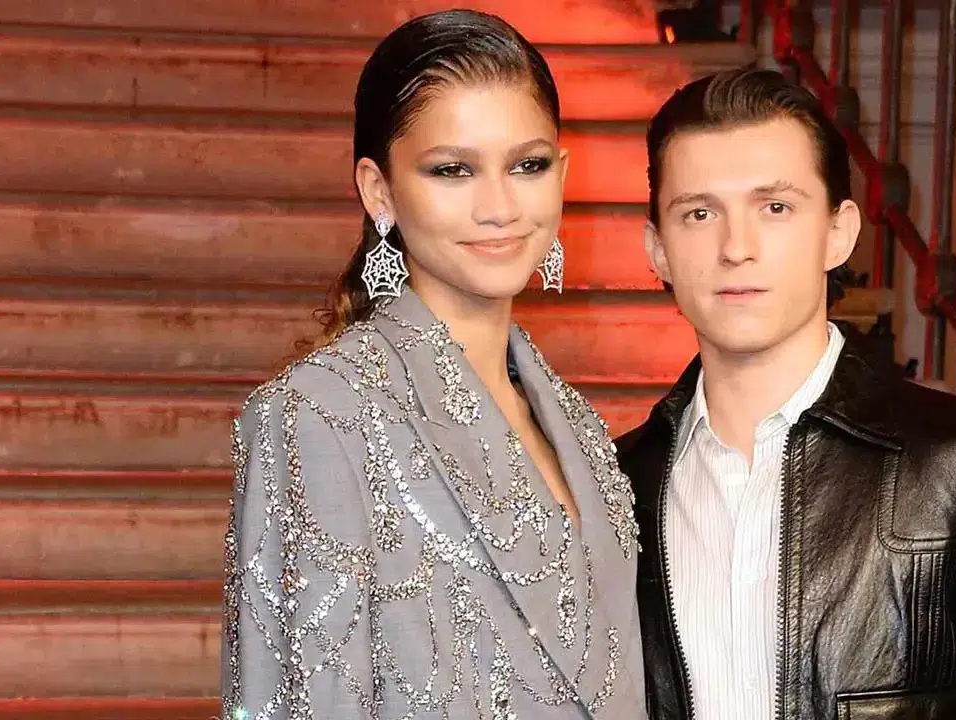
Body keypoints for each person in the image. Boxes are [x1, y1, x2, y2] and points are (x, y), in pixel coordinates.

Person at [616, 68, 956, 720]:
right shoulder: (617, 485)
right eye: (700, 213)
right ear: (658, 249)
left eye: (775, 208)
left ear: (839, 233)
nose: (736, 247)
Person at [222, 10, 646, 719]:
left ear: (562, 174)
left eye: (528, 165)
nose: (499, 207)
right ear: (379, 190)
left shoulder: (574, 421)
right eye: (453, 170)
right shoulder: (320, 414)